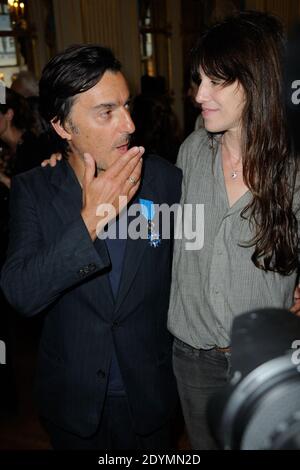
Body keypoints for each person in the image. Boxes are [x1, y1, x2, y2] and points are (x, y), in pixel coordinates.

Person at [0, 44, 182, 450]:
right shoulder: (34, 190)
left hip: (150, 398)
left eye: (126, 106)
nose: (130, 124)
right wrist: (90, 221)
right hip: (73, 402)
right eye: (107, 112)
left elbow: (202, 259)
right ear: (63, 126)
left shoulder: (165, 181)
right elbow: (21, 293)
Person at [168, 11, 300, 450]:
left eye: (217, 81)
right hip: (194, 361)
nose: (199, 94)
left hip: (265, 355)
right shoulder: (190, 151)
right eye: (199, 79)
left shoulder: (294, 168)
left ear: (257, 82)